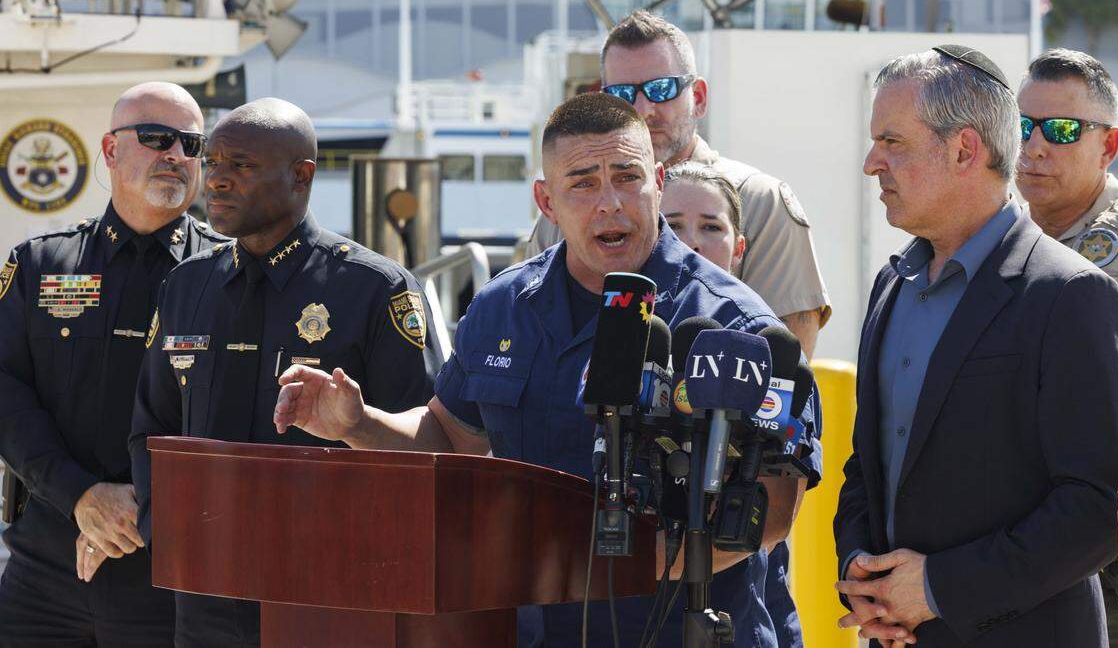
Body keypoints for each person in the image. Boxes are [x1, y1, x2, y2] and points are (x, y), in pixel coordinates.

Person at [274, 92, 823, 647]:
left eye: (627, 177)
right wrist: (358, 423)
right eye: (583, 183)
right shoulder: (503, 305)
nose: (610, 203)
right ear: (546, 201)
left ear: (658, 182)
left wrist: (610, 567)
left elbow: (775, 511)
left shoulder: (733, 323)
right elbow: (450, 436)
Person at [833, 45, 1118, 647]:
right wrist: (861, 572)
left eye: (892, 142)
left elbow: (1093, 508)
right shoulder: (893, 285)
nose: (871, 164)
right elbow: (868, 465)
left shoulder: (1072, 293)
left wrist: (938, 588)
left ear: (964, 150)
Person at [128, 98, 441, 647]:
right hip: (204, 591)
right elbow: (151, 429)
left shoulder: (374, 289)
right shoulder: (186, 286)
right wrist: (167, 537)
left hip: (327, 594)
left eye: (241, 165)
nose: (216, 180)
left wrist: (358, 424)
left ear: (302, 176)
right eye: (213, 162)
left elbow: (431, 444)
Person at [0, 82, 228, 645]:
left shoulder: (228, 277)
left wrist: (137, 510)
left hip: (174, 578)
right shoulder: (41, 265)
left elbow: (235, 422)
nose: (175, 155)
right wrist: (81, 496)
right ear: (110, 149)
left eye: (190, 144)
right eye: (156, 137)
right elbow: (5, 389)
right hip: (46, 573)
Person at [526, 10, 830, 359]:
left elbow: (786, 361)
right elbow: (530, 329)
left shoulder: (759, 201)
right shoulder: (565, 210)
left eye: (661, 89)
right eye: (622, 94)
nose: (643, 110)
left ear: (698, 97)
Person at [1015, 48, 1118, 648]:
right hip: (1014, 548)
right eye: (1022, 125)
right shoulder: (1001, 237)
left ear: (1108, 146)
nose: (1035, 147)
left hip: (1110, 555)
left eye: (1062, 130)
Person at [662, 161, 806, 647]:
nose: (692, 242)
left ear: (739, 248)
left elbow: (777, 517)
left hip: (738, 611)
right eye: (673, 226)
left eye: (711, 227)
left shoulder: (772, 350)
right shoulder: (635, 335)